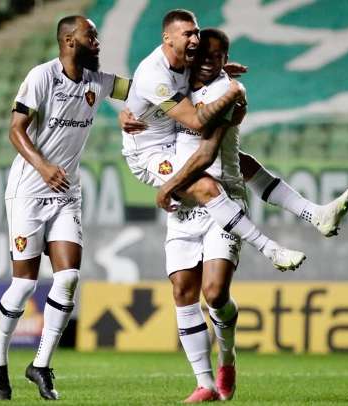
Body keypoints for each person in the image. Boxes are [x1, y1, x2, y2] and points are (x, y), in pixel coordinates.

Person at [159, 28, 348, 402]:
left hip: (222, 200)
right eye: (206, 56)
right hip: (186, 208)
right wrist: (130, 116)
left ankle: (227, 358)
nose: (212, 63)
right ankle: (204, 385)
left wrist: (166, 187)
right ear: (193, 56)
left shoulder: (227, 92)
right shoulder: (174, 82)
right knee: (183, 292)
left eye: (220, 57)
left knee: (214, 294)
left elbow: (204, 151)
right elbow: (143, 90)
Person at [0, 16, 133, 401]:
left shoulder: (98, 82)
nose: (98, 41)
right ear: (69, 41)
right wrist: (44, 166)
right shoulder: (41, 77)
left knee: (68, 279)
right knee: (25, 284)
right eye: (91, 35)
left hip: (67, 193)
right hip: (29, 191)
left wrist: (203, 82)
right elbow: (16, 129)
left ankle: (40, 365)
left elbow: (140, 90)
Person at [122, 9, 306, 271]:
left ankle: (310, 211)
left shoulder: (182, 58)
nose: (195, 39)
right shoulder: (154, 73)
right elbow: (197, 121)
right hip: (151, 154)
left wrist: (129, 106)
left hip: (173, 139)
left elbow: (131, 87)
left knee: (238, 160)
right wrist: (232, 93)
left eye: (196, 32)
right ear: (168, 38)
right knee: (206, 186)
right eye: (188, 33)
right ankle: (269, 248)